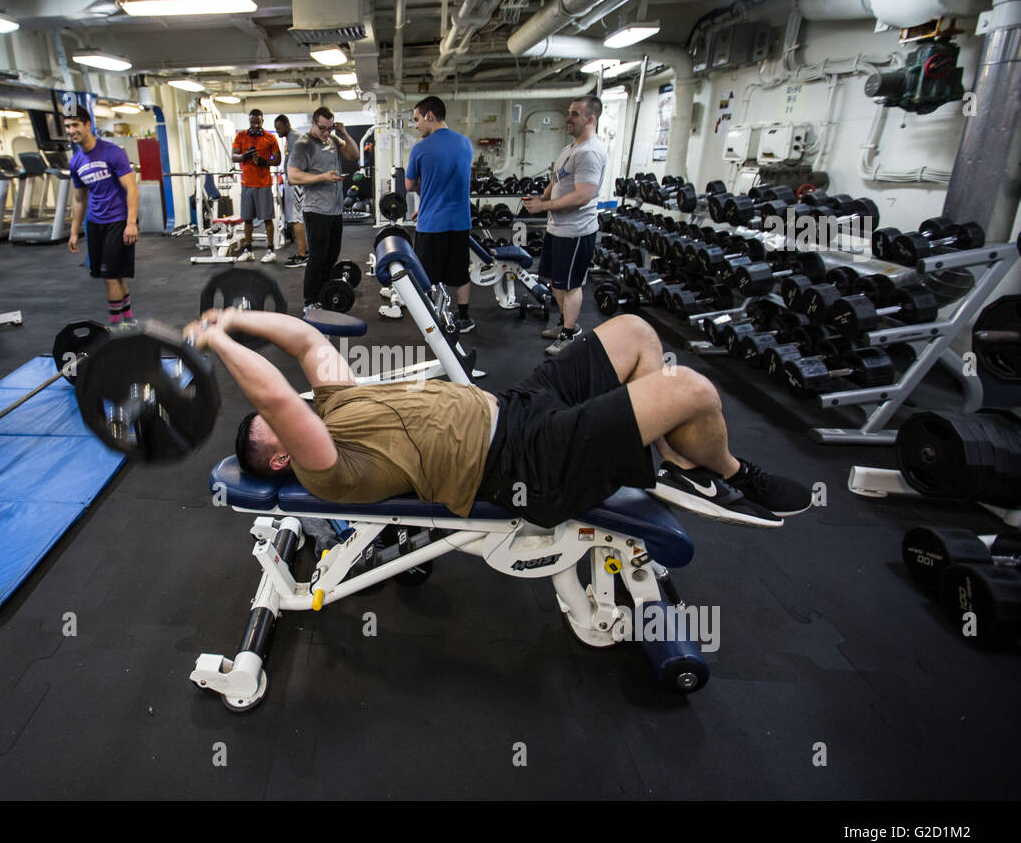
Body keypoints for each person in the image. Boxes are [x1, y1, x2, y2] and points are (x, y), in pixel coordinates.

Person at [186, 308, 811, 529]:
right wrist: (221, 350)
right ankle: (734, 471)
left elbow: (303, 342)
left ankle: (678, 467)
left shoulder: (333, 403)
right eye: (283, 428)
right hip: (523, 464)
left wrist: (232, 321)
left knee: (637, 333)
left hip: (519, 407)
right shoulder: (328, 470)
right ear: (279, 459)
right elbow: (273, 399)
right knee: (690, 389)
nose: (297, 410)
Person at [522, 96, 608, 356]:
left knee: (570, 285)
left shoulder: (590, 152)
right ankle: (564, 324)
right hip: (557, 229)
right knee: (555, 281)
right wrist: (542, 198)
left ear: (591, 119)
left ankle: (570, 334)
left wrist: (543, 208)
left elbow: (583, 195)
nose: (568, 118)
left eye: (574, 114)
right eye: (569, 113)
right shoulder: (570, 148)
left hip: (576, 231)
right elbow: (556, 180)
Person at [405, 96, 476, 332]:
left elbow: (409, 185)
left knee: (427, 276)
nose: (416, 125)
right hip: (460, 222)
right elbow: (450, 181)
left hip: (432, 224)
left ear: (430, 116)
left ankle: (432, 318)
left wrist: (425, 200)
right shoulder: (465, 143)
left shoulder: (421, 148)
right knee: (460, 272)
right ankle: (464, 318)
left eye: (417, 119)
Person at [65, 108, 140, 328]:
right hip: (95, 222)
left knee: (109, 276)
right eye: (68, 126)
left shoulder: (113, 152)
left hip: (118, 219)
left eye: (76, 125)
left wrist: (131, 223)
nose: (72, 130)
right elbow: (79, 199)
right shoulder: (76, 161)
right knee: (112, 275)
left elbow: (132, 189)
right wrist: (73, 231)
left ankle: (117, 329)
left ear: (88, 125)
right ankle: (129, 323)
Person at [286, 106, 361, 312]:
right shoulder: (303, 145)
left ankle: (324, 295)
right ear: (313, 123)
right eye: (322, 128)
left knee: (331, 257)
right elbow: (293, 177)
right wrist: (323, 177)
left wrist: (344, 133)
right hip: (316, 210)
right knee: (317, 258)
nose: (326, 132)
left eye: (330, 128)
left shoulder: (333, 140)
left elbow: (354, 155)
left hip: (335, 210)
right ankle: (310, 302)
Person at [230, 108, 282, 263]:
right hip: (247, 184)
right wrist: (244, 156)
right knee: (247, 219)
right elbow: (233, 156)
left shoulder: (270, 138)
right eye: (253, 122)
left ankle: (271, 250)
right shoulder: (241, 136)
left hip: (264, 184)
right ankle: (248, 250)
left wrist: (264, 162)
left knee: (267, 218)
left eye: (258, 122)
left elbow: (277, 160)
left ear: (262, 122)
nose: (255, 125)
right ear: (249, 122)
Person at [273, 114, 307, 268]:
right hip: (293, 183)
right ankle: (303, 252)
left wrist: (295, 180)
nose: (277, 131)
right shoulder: (291, 138)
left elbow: (301, 163)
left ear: (287, 125)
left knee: (296, 218)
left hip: (296, 184)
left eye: (279, 128)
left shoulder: (295, 139)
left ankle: (303, 255)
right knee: (295, 218)